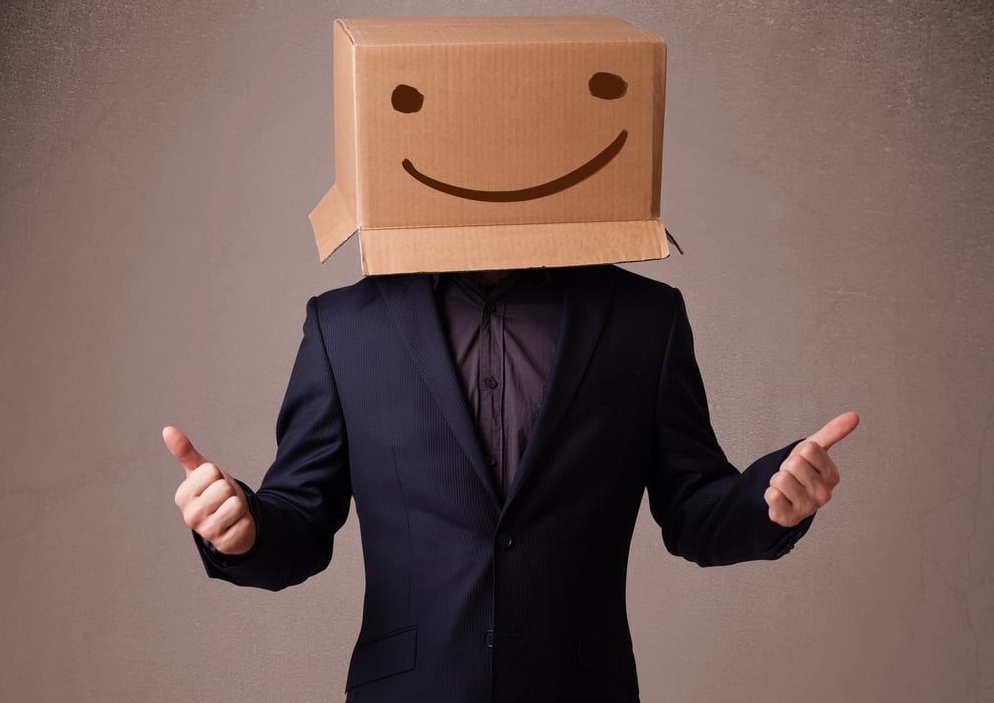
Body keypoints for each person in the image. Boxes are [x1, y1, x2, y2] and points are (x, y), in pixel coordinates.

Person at [165, 264, 858, 703]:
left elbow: (695, 511)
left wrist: (772, 501)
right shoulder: (345, 326)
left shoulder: (644, 319)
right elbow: (302, 522)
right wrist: (242, 529)